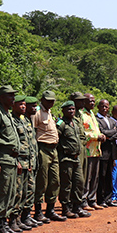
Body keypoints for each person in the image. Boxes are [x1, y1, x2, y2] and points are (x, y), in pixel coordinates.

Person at [0, 85, 22, 233]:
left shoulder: (7, 114)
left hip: (12, 159)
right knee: (2, 193)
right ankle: (0, 226)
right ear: (2, 97)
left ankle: (5, 222)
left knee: (10, 192)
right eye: (10, 96)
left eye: (13, 96)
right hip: (3, 158)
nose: (13, 99)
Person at [33, 90, 65, 222]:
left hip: (54, 150)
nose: (51, 102)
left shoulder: (49, 112)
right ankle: (38, 212)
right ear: (42, 99)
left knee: (54, 180)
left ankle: (50, 210)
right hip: (43, 148)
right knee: (42, 180)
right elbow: (33, 133)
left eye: (53, 100)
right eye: (48, 100)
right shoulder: (37, 113)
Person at [56, 101, 88, 218]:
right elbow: (56, 139)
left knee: (79, 182)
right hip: (66, 158)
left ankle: (77, 207)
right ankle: (66, 208)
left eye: (73, 109)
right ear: (63, 111)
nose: (71, 111)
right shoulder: (61, 123)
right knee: (66, 184)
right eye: (69, 109)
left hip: (76, 158)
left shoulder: (75, 122)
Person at [10, 95, 33, 230]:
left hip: (28, 162)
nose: (23, 107)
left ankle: (20, 219)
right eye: (20, 104)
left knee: (25, 192)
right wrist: (17, 161)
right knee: (17, 193)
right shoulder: (12, 121)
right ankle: (13, 220)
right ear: (13, 105)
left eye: (24, 104)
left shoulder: (24, 120)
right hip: (19, 162)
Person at [80, 93, 105, 210]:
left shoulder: (92, 115)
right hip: (87, 151)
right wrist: (96, 136)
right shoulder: (81, 115)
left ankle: (92, 200)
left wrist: (101, 135)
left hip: (96, 150)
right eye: (90, 101)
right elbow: (82, 133)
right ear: (84, 102)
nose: (92, 103)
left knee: (95, 177)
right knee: (87, 177)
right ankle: (83, 201)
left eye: (93, 101)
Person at [22, 96, 43, 228]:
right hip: (23, 161)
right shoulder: (21, 120)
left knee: (30, 188)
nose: (34, 108)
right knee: (23, 191)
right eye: (31, 106)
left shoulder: (28, 121)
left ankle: (27, 216)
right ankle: (21, 218)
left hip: (32, 160)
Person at [95, 100, 117, 207]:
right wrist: (112, 132)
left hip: (111, 153)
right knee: (101, 176)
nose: (104, 108)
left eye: (106, 107)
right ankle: (100, 200)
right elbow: (101, 131)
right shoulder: (96, 120)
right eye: (102, 106)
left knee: (109, 177)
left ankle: (108, 199)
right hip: (102, 152)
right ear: (98, 107)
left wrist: (109, 137)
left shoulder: (111, 120)